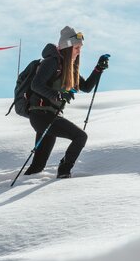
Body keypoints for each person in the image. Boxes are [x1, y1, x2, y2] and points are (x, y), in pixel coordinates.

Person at [24, 26, 109, 179]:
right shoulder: (52, 62)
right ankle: (64, 170)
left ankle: (18, 187)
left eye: (80, 48)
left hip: (49, 116)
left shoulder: (69, 68)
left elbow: (87, 87)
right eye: (76, 47)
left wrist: (98, 68)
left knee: (37, 166)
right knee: (80, 137)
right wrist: (56, 95)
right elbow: (35, 85)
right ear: (67, 46)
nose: (79, 51)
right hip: (41, 115)